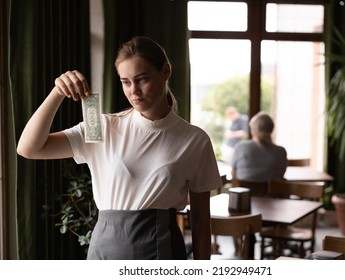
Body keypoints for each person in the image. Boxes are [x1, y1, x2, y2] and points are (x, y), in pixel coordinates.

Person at [17, 36, 222, 260]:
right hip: (103, 254)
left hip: (162, 255)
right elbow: (29, 148)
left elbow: (202, 221)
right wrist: (57, 93)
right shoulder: (102, 128)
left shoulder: (195, 140)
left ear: (165, 71)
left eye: (142, 79)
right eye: (126, 82)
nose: (134, 91)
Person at [231, 111, 287, 182]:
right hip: (273, 193)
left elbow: (234, 175)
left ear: (253, 130)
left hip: (245, 192)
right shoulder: (281, 152)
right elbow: (280, 176)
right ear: (272, 129)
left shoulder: (240, 147)